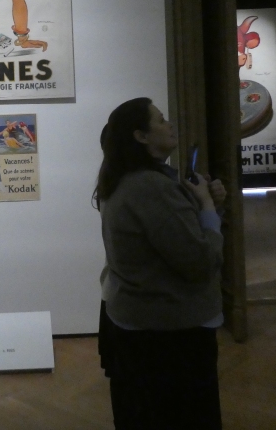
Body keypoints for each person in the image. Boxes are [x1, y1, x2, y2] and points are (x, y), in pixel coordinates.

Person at [94, 97, 227, 429]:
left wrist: (206, 206)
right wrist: (207, 208)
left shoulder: (127, 180)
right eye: (161, 119)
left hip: (144, 325)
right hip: (168, 333)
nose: (170, 125)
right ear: (141, 136)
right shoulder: (150, 187)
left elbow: (174, 240)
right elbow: (199, 262)